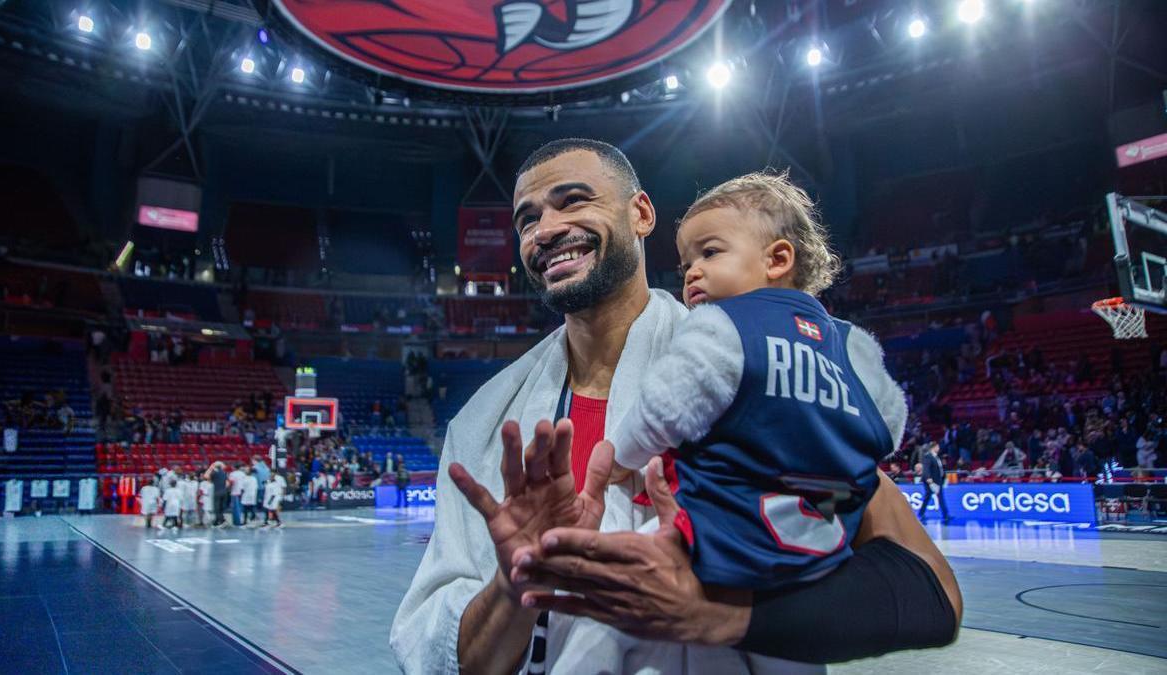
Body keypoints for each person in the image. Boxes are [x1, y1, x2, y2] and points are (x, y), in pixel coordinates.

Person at [393, 139, 960, 673]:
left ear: (641, 214)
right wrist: (513, 584)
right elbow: (458, 662)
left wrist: (716, 614)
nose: (546, 229)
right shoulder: (487, 424)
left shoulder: (756, 368)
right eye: (527, 219)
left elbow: (930, 592)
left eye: (573, 201)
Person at [606, 170, 906, 591]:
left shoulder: (724, 326)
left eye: (709, 253)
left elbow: (661, 410)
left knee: (605, 594)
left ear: (777, 260)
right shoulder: (852, 342)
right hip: (819, 555)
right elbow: (889, 425)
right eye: (686, 264)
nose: (691, 273)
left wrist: (617, 459)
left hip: (724, 542)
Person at [919, 442, 950, 524]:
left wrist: (944, 477)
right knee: (928, 497)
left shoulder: (936, 457)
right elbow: (926, 469)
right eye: (938, 447)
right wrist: (929, 480)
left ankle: (946, 515)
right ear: (933, 447)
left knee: (940, 497)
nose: (939, 448)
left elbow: (940, 469)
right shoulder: (928, 457)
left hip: (938, 480)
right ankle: (921, 513)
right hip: (931, 481)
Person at [205, 461, 230, 528]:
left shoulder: (214, 473)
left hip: (217, 492)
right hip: (224, 492)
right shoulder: (225, 473)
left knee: (217, 508)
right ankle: (218, 521)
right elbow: (228, 484)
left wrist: (210, 468)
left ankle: (221, 521)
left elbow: (206, 476)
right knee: (221, 508)